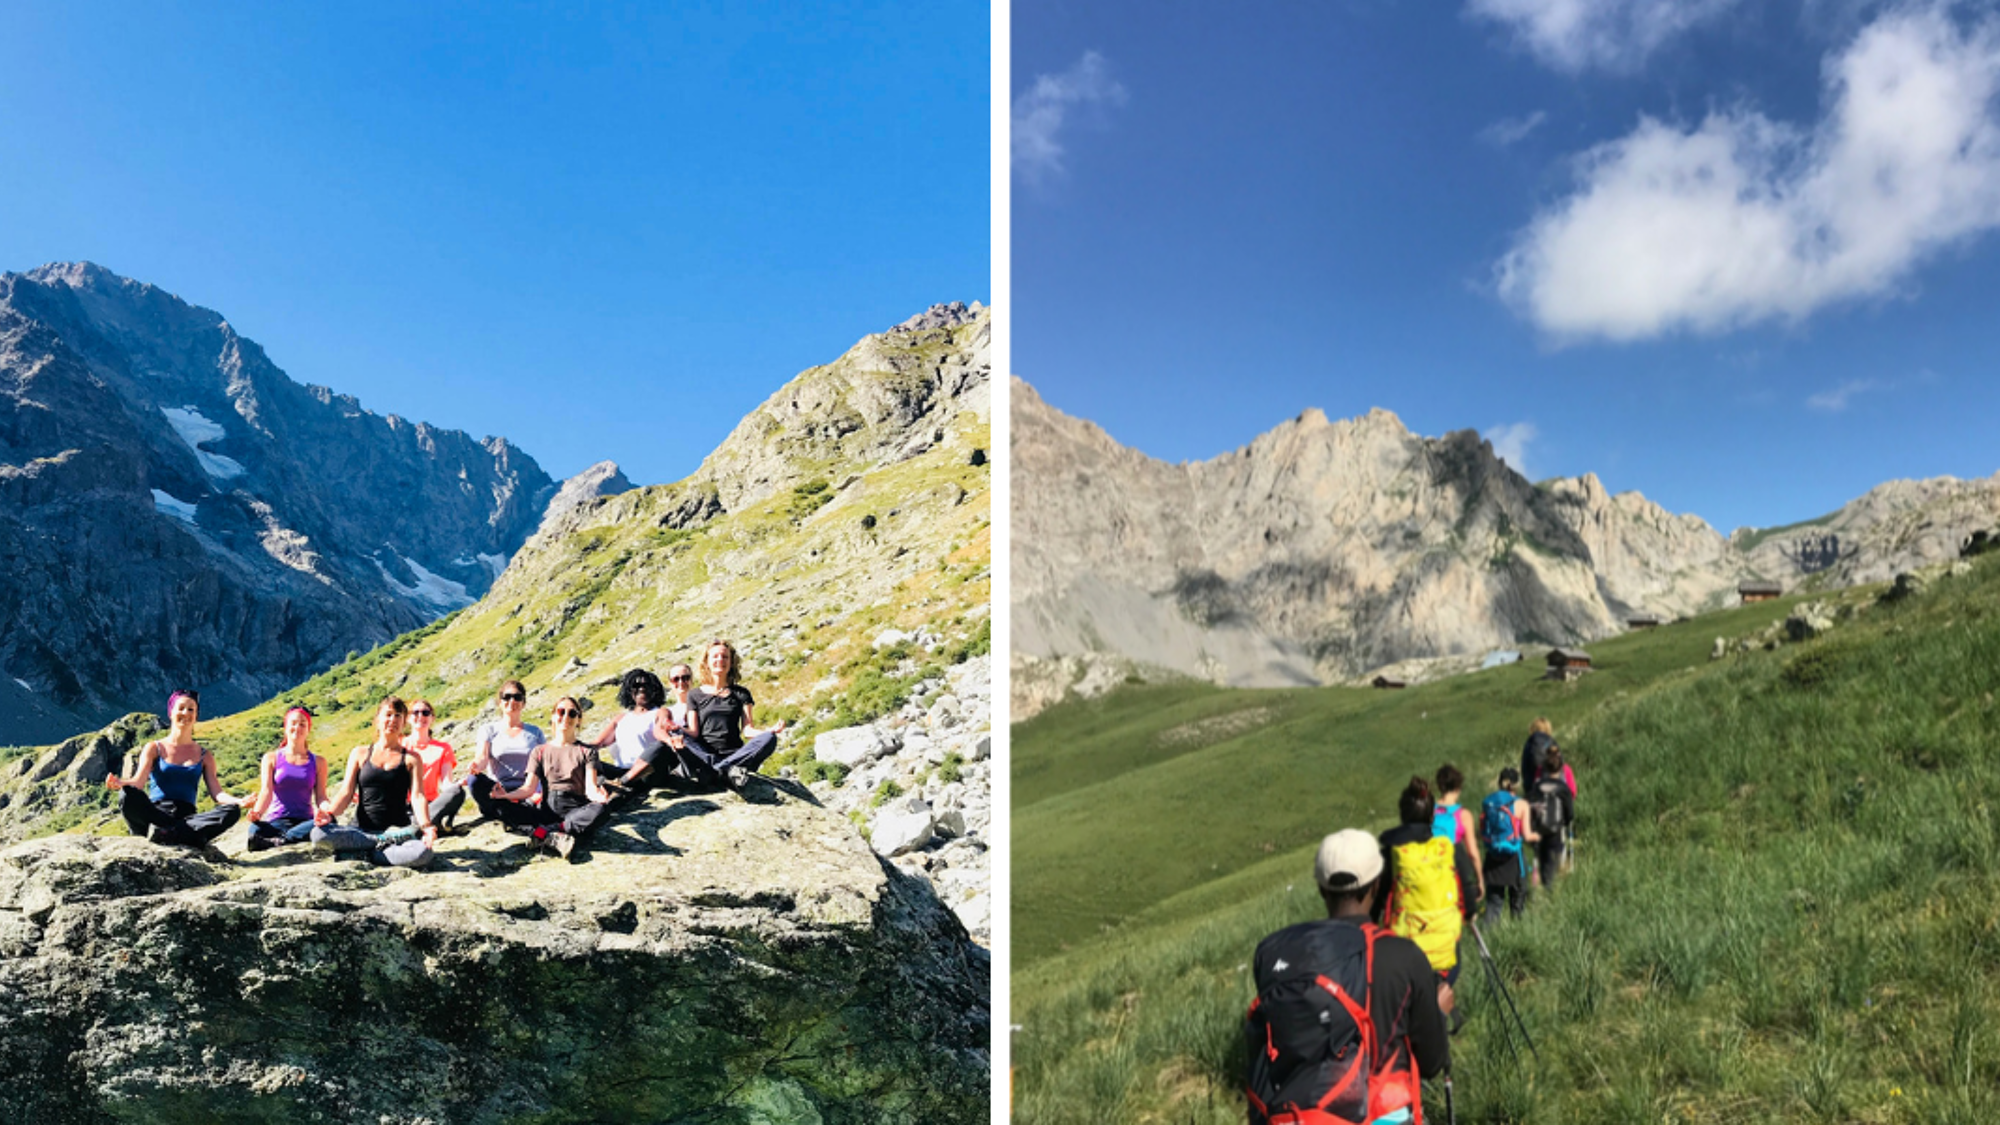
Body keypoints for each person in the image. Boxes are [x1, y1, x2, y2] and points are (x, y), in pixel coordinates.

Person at [1245, 828, 1449, 1125]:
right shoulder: (1404, 955)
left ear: (1321, 889)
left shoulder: (1293, 958)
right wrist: (1439, 1012)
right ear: (1377, 885)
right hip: (1384, 1116)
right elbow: (1432, 1062)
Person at [1376, 777, 1477, 996]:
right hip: (1445, 955)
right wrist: (1470, 914)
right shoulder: (1448, 849)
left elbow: (1376, 904)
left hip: (1404, 952)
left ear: (1402, 814)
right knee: (1435, 1004)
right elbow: (1467, 893)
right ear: (1432, 816)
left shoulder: (1391, 855)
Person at [104, 690, 244, 847]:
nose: (186, 713)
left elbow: (217, 793)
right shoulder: (154, 748)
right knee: (127, 795)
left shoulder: (205, 755)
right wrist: (121, 783)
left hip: (187, 819)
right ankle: (179, 835)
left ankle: (169, 833)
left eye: (191, 709)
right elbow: (138, 782)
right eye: (181, 708)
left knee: (232, 811)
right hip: (157, 814)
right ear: (171, 712)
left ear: (196, 716)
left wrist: (239, 801)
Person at [310, 697, 437, 867]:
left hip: (397, 830)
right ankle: (378, 846)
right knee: (318, 834)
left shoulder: (411, 759)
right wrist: (329, 814)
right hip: (361, 831)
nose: (393, 720)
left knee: (423, 853)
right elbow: (346, 792)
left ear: (404, 722)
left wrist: (426, 826)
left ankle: (366, 853)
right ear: (377, 719)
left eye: (398, 715)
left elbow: (417, 796)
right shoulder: (360, 753)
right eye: (388, 714)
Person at [488, 697, 612, 861]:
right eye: (561, 712)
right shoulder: (540, 751)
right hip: (546, 809)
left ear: (578, 720)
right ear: (553, 716)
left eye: (572, 713)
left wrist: (599, 798)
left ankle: (545, 833)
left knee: (601, 809)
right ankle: (554, 835)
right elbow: (528, 789)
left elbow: (590, 788)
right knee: (498, 806)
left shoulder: (587, 752)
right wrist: (505, 796)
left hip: (574, 810)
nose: (566, 717)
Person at [664, 639, 787, 791]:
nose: (720, 660)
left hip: (735, 755)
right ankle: (723, 770)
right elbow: (694, 732)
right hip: (705, 754)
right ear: (707, 662)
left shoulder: (741, 693)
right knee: (676, 732)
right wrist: (675, 729)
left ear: (731, 662)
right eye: (715, 656)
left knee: (769, 739)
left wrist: (769, 731)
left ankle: (719, 770)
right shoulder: (695, 695)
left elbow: (747, 730)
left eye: (725, 657)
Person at [587, 668, 691, 794]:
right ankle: (609, 785)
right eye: (636, 685)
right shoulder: (621, 718)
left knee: (661, 746)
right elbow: (598, 743)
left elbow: (660, 730)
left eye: (646, 685)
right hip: (621, 770)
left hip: (649, 774)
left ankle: (621, 784)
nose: (642, 688)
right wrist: (573, 748)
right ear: (629, 690)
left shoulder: (660, 712)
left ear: (654, 689)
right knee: (583, 760)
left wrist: (669, 740)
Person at [244, 705, 329, 851]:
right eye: (293, 723)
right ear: (285, 727)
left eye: (303, 724)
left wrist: (328, 811)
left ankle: (280, 841)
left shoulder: (319, 762)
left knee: (330, 823)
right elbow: (266, 791)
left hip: (305, 822)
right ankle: (287, 838)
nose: (298, 727)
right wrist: (257, 813)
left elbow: (321, 796)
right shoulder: (271, 758)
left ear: (308, 729)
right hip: (277, 822)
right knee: (254, 830)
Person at [468, 680, 545, 819]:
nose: (512, 701)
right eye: (507, 697)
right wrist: (476, 766)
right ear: (499, 702)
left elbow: (545, 764)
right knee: (473, 780)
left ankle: (508, 810)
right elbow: (482, 757)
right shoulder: (488, 730)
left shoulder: (535, 732)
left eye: (517, 697)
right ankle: (510, 808)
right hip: (499, 788)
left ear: (523, 702)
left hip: (528, 789)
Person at [1480, 767, 1538, 925]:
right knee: (1517, 904)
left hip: (1493, 859)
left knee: (1493, 905)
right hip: (1514, 859)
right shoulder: (1521, 804)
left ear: (1499, 783)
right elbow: (1526, 835)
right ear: (1516, 785)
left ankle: (1486, 942)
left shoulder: (1488, 802)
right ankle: (1517, 937)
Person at [406, 697, 466, 832]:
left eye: (425, 713)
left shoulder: (443, 748)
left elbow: (446, 783)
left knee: (457, 792)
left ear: (432, 718)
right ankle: (426, 825)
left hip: (430, 803)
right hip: (404, 804)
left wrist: (457, 785)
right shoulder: (400, 745)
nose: (420, 716)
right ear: (408, 718)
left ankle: (421, 825)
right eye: (415, 713)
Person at [1431, 763, 1484, 892]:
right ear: (1458, 787)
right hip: (1455, 867)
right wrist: (1480, 880)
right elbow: (1472, 852)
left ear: (1439, 786)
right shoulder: (1463, 815)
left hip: (1432, 866)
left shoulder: (1429, 811)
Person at [1531, 747, 1576, 887]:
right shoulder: (1563, 786)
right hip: (1557, 825)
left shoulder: (1538, 784)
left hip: (1540, 825)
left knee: (1543, 857)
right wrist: (1567, 819)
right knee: (1555, 855)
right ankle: (1553, 885)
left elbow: (1531, 802)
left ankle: (1545, 882)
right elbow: (1571, 803)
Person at [1520, 716, 1557, 792]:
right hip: (1552, 787)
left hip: (1532, 788)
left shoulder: (1529, 743)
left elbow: (1524, 768)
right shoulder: (1552, 742)